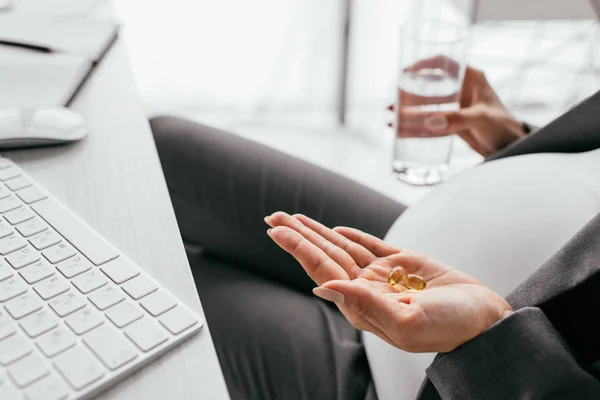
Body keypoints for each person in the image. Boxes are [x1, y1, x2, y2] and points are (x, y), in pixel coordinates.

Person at [150, 64, 600, 400]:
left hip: (431, 371)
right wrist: (514, 141)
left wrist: (494, 335)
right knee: (163, 146)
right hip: (413, 235)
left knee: (165, 280)